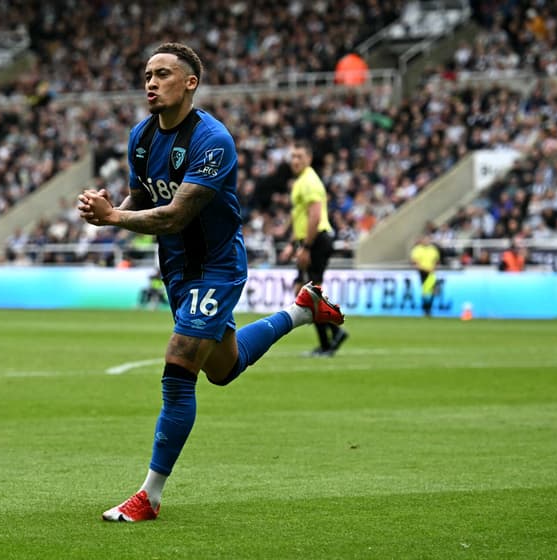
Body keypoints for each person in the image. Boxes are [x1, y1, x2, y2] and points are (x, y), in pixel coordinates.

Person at [77, 42, 344, 523]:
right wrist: (112, 203)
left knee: (179, 360)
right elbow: (144, 193)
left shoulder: (212, 140)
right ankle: (302, 310)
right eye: (146, 75)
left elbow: (178, 213)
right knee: (222, 368)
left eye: (162, 74)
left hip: (217, 267)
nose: (151, 83)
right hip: (177, 270)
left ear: (190, 83)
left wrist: (113, 217)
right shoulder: (141, 137)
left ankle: (149, 496)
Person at [278, 140, 348, 357]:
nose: (295, 160)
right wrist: (293, 243)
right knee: (302, 291)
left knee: (309, 294)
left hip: (317, 241)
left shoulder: (309, 182)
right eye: (293, 156)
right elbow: (300, 216)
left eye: (299, 156)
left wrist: (306, 247)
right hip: (309, 241)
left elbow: (315, 216)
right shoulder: (301, 181)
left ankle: (332, 337)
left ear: (308, 158)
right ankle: (330, 338)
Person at [410, 233, 441, 316]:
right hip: (423, 272)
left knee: (432, 291)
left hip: (431, 272)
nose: (426, 241)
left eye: (428, 239)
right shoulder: (417, 249)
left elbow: (436, 260)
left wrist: (433, 268)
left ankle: (428, 308)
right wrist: (427, 269)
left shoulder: (433, 249)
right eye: (425, 239)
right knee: (426, 291)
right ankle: (426, 309)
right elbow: (415, 262)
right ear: (422, 240)